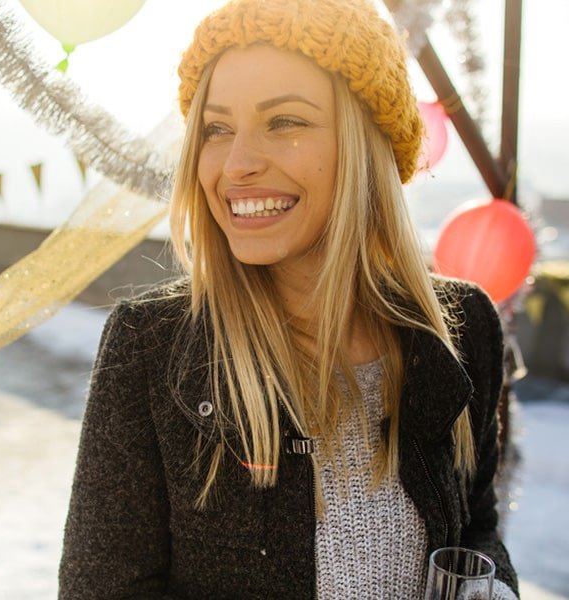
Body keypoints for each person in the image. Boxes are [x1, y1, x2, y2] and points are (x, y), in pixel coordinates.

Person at [57, 1, 519, 598]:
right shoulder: (152, 351)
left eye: (284, 122)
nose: (238, 165)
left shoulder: (462, 329)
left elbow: (479, 528)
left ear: (364, 146)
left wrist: (493, 589)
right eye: (216, 129)